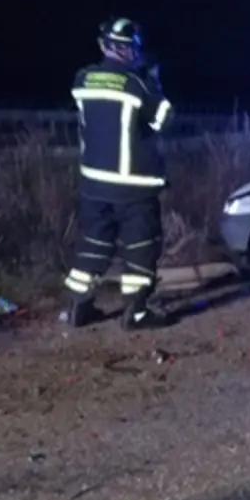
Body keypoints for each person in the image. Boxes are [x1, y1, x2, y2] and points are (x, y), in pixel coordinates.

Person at [63, 17, 173, 330]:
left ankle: (78, 308)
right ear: (133, 50)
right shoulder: (138, 83)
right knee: (140, 247)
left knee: (93, 244)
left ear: (103, 45)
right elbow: (163, 119)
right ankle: (137, 313)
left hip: (94, 183)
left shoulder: (82, 79)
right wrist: (154, 81)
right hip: (134, 186)